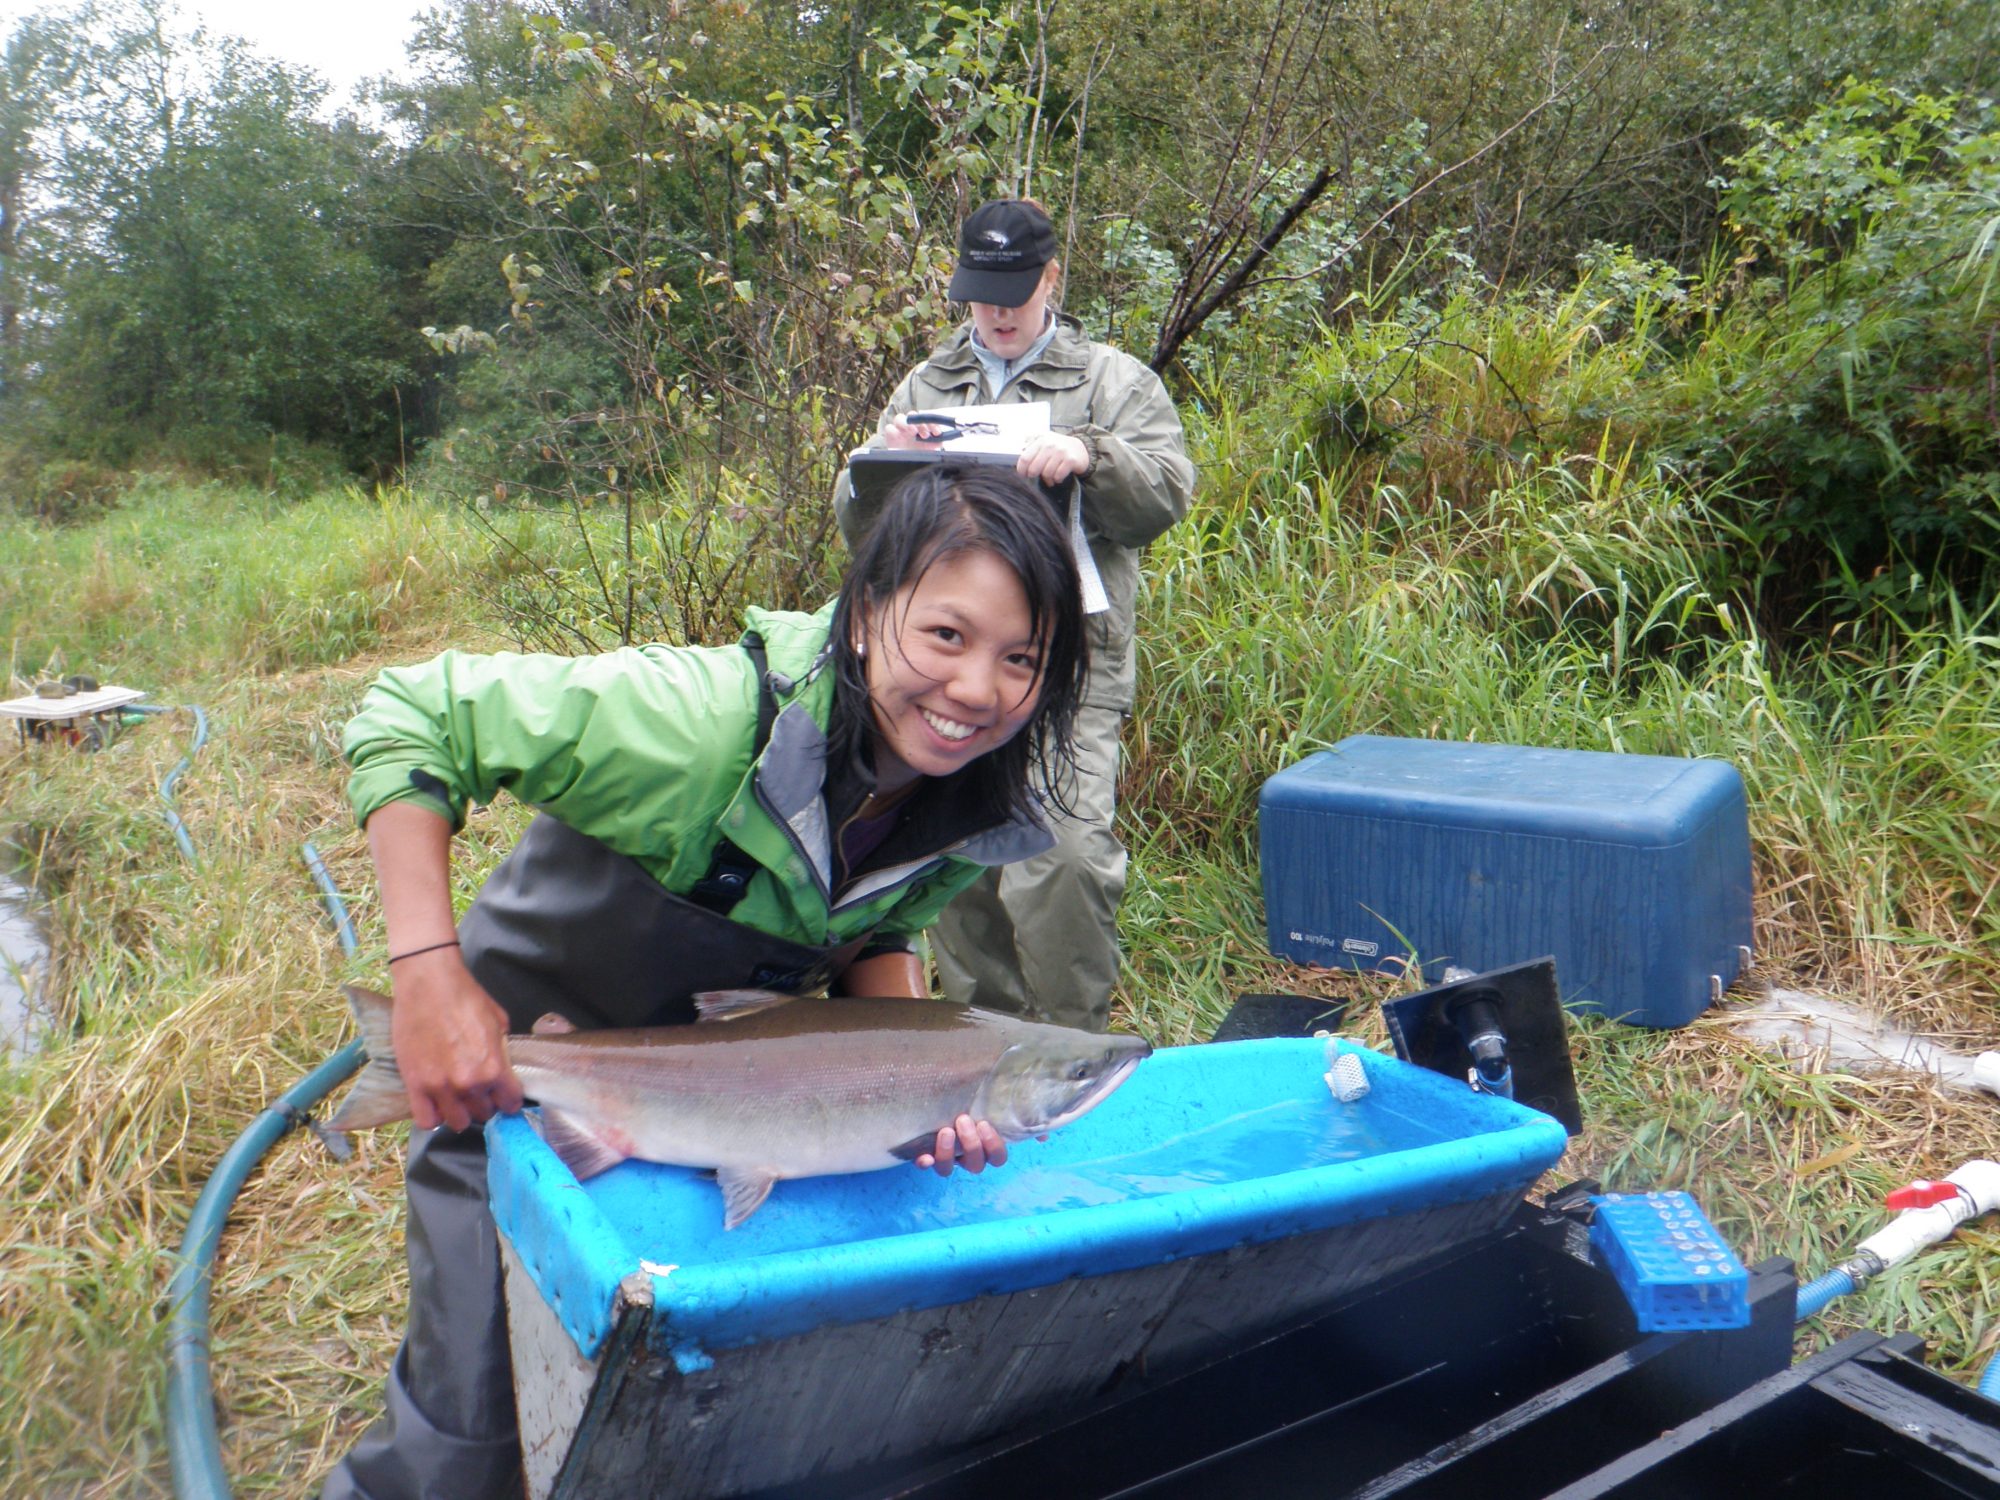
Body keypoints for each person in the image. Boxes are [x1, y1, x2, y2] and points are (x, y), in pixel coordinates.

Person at [320, 463, 1089, 1500]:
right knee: (476, 1429)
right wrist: (425, 976)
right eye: (945, 636)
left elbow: (880, 934)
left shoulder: (966, 801)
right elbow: (416, 709)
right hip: (506, 1090)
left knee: (698, 1413)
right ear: (864, 615)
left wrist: (929, 1075)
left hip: (743, 1117)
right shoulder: (693, 725)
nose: (976, 692)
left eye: (1020, 660)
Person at [834, 197, 1196, 1034]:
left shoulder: (1111, 380)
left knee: (1062, 860)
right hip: (947, 666)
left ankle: (1072, 1046)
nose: (996, 311)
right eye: (980, 291)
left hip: (1069, 661)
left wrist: (1091, 456)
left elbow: (1167, 493)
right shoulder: (929, 383)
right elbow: (861, 526)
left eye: (1015, 290)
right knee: (955, 857)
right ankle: (981, 1044)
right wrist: (882, 465)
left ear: (1052, 279)